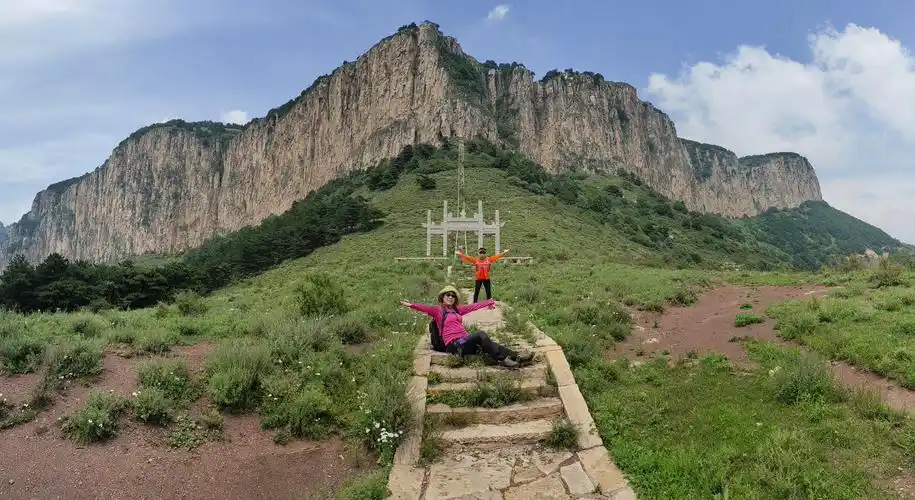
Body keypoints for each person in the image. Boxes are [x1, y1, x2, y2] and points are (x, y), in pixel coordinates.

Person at [400, 285, 533, 368]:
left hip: (464, 341)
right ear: (442, 297)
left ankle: (518, 356)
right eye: (448, 295)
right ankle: (503, 360)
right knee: (480, 334)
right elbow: (424, 308)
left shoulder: (457, 310)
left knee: (493, 344)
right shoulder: (438, 311)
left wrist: (489, 302)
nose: (451, 297)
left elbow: (472, 307)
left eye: (453, 296)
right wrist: (411, 305)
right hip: (454, 345)